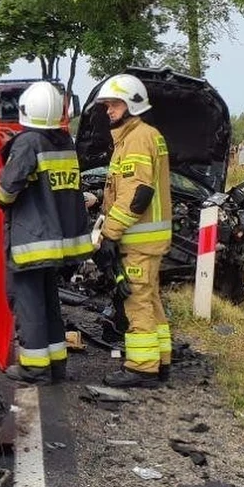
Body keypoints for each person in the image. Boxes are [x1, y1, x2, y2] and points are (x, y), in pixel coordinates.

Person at [0, 82, 93, 385]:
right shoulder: (64, 142)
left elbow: (4, 193)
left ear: (27, 110)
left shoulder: (28, 144)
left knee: (29, 305)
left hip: (31, 242)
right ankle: (56, 364)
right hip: (57, 244)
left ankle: (35, 369)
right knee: (50, 303)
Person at [86, 74, 173, 389]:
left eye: (115, 104)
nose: (109, 110)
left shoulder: (137, 138)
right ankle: (160, 362)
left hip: (138, 239)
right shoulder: (142, 135)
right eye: (107, 104)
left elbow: (137, 193)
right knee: (150, 301)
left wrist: (109, 233)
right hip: (148, 240)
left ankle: (142, 368)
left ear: (133, 103)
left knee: (136, 302)